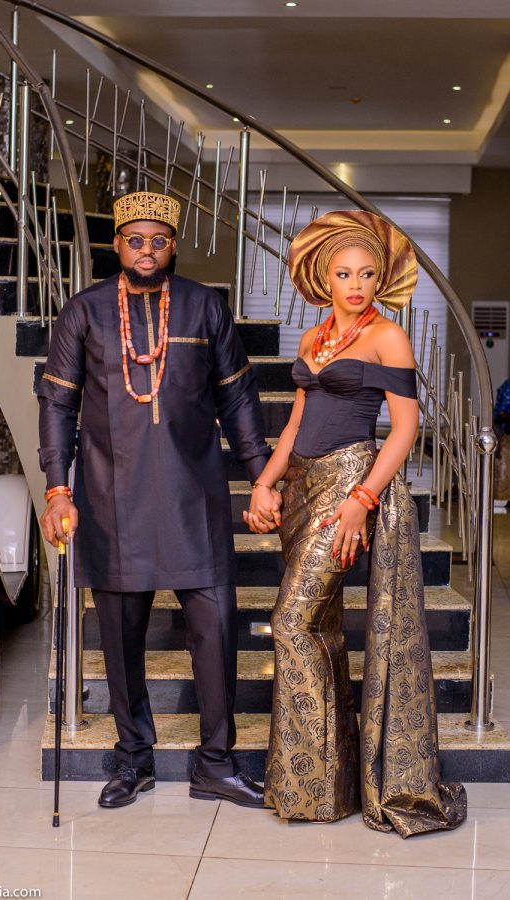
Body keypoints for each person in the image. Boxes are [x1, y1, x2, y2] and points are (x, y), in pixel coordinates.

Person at [38, 190, 272, 809]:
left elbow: (238, 399)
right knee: (120, 640)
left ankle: (215, 764)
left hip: (196, 498)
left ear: (173, 246)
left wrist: (261, 476)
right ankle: (133, 760)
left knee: (216, 633)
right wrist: (58, 488)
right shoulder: (84, 311)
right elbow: (58, 403)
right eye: (135, 240)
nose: (147, 250)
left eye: (159, 241)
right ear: (117, 244)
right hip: (111, 499)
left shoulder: (204, 306)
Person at [244, 209, 467, 837]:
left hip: (349, 484)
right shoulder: (313, 338)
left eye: (367, 274)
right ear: (323, 277)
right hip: (301, 487)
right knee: (320, 627)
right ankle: (325, 786)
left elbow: (406, 429)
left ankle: (315, 781)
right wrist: (264, 481)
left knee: (292, 621)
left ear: (380, 279)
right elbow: (295, 423)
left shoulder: (387, 336)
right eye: (344, 274)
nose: (357, 285)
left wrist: (361, 499)